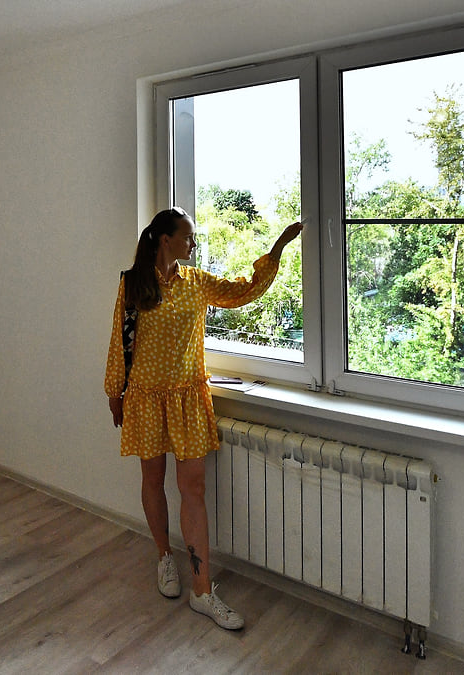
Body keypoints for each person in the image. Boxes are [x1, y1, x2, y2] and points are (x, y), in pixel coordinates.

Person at [104, 206, 302, 631]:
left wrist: (277, 250)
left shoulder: (197, 282)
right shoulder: (133, 283)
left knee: (193, 489)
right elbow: (120, 339)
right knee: (152, 480)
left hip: (188, 400)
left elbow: (242, 291)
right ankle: (163, 557)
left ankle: (201, 590)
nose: (193, 243)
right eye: (188, 236)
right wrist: (114, 392)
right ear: (166, 239)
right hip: (145, 398)